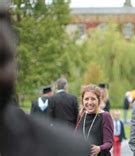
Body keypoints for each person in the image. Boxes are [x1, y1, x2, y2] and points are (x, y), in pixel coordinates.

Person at [0, 6, 89, 155]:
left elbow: (49, 116)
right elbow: (76, 117)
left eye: (2, 60)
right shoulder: (71, 100)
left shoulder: (68, 147)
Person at [75, 84, 114, 156]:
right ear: (82, 100)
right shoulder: (81, 115)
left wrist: (99, 148)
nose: (89, 102)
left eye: (93, 99)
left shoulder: (105, 116)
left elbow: (109, 143)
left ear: (99, 100)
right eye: (86, 99)